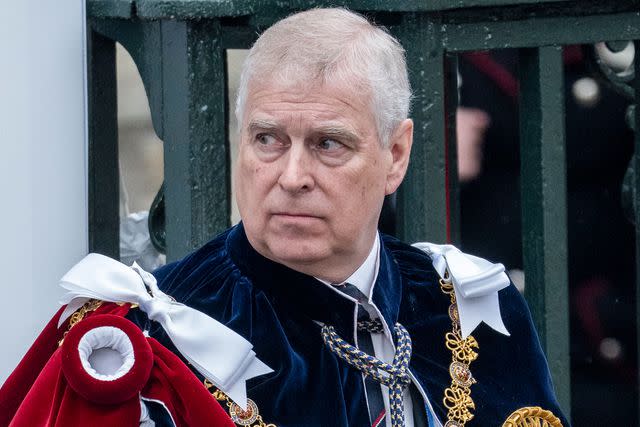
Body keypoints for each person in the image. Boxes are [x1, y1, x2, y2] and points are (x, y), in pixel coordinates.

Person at [2, 8, 567, 427]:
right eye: (268, 139)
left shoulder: (470, 303)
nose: (292, 176)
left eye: (328, 143)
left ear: (395, 155)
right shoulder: (149, 346)